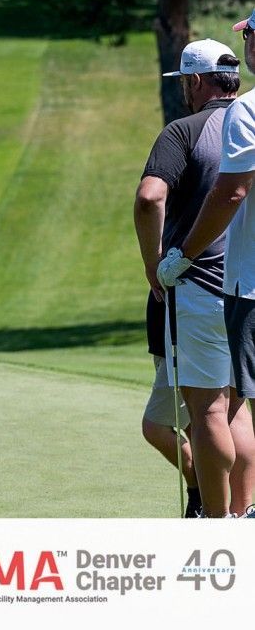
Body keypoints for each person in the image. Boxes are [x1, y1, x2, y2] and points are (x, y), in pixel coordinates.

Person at [137, 39, 248, 516]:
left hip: (201, 287)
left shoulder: (183, 131)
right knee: (240, 408)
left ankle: (216, 525)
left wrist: (155, 262)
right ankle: (244, 516)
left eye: (185, 81)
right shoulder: (252, 120)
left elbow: (149, 197)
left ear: (196, 82)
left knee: (208, 413)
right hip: (248, 287)